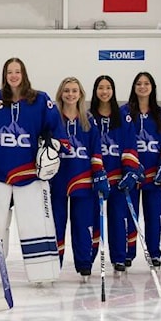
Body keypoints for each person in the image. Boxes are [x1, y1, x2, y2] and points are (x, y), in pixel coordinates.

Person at [0, 59, 68, 284]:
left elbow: (55, 133)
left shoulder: (40, 100)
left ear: (24, 74)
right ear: (4, 75)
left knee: (35, 223)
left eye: (17, 71)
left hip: (29, 175)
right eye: (9, 72)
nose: (13, 76)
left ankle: (42, 271)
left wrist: (51, 151)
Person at [49, 76, 106, 277]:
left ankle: (84, 263)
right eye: (67, 91)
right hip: (57, 182)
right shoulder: (53, 120)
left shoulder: (89, 121)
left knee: (82, 224)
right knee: (56, 224)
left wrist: (99, 175)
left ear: (80, 94)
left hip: (83, 181)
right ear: (60, 94)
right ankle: (53, 265)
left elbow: (95, 151)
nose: (70, 94)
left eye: (74, 90)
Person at [119, 72, 161, 268]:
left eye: (146, 83)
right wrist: (128, 167)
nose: (142, 87)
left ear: (152, 87)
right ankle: (127, 253)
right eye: (139, 83)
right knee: (129, 216)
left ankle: (154, 253)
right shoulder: (123, 113)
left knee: (154, 216)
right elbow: (120, 142)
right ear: (134, 87)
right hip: (131, 176)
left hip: (154, 176)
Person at [90, 74, 130, 272]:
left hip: (117, 177)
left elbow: (130, 146)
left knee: (118, 219)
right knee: (92, 220)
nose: (104, 91)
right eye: (100, 88)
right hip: (95, 178)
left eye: (108, 88)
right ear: (95, 91)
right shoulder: (88, 117)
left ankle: (119, 258)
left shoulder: (122, 117)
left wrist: (130, 170)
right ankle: (88, 259)